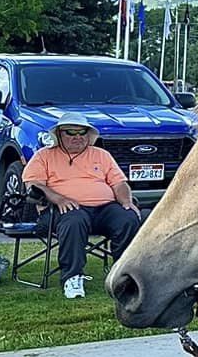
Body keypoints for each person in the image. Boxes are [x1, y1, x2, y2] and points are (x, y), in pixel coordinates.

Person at [22, 113, 143, 298]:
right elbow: (33, 184)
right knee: (74, 220)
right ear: (59, 135)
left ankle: (123, 275)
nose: (77, 137)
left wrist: (126, 201)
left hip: (104, 208)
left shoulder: (102, 155)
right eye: (71, 132)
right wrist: (59, 198)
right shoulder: (44, 156)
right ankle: (72, 277)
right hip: (61, 210)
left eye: (82, 132)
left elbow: (119, 183)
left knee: (128, 217)